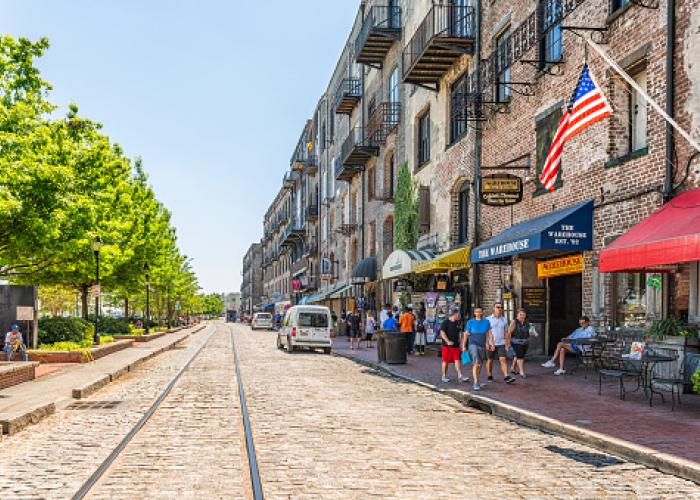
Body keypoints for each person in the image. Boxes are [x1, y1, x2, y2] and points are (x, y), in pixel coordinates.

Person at [486, 302, 516, 384]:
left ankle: (506, 376)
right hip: (491, 343)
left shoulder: (504, 319)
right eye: (498, 307)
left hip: (501, 343)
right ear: (494, 309)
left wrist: (507, 342)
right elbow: (486, 332)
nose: (500, 309)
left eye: (501, 307)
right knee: (490, 360)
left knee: (503, 359)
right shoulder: (488, 319)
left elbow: (506, 332)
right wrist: (487, 343)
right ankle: (489, 374)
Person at [462, 307, 491, 390]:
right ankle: (475, 383)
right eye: (476, 312)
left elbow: (488, 334)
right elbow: (466, 334)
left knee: (480, 364)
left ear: (482, 313)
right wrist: (464, 346)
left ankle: (477, 380)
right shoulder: (470, 322)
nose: (478, 313)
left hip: (482, 345)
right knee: (476, 363)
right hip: (473, 344)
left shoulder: (486, 322)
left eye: (480, 312)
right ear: (474, 313)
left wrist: (487, 343)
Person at [439, 309, 469, 383]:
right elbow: (442, 333)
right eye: (458, 314)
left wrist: (462, 344)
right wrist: (447, 341)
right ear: (454, 314)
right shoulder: (445, 322)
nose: (459, 316)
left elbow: (460, 334)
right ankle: (444, 376)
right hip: (446, 346)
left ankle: (460, 375)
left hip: (456, 345)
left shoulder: (458, 323)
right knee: (445, 361)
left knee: (457, 359)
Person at [508, 309, 538, 378]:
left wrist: (533, 333)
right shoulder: (514, 322)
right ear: (517, 315)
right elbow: (509, 333)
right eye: (520, 314)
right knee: (520, 356)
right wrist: (507, 343)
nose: (522, 316)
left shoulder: (527, 323)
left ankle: (512, 368)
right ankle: (521, 371)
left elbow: (529, 333)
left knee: (518, 355)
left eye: (523, 314)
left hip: (525, 342)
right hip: (516, 341)